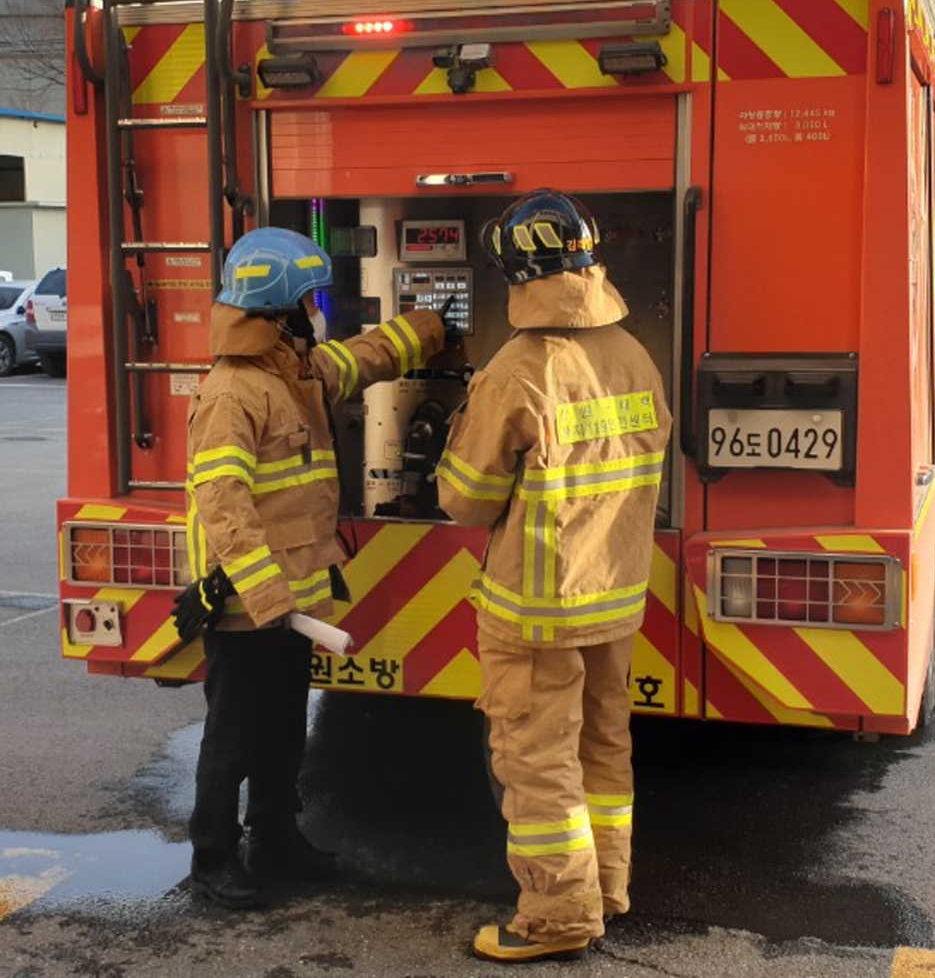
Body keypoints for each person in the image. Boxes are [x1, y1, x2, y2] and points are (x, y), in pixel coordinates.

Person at [172, 226, 445, 910]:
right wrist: (265, 598)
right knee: (233, 738)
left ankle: (274, 838)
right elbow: (223, 506)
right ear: (281, 311)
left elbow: (359, 360)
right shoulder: (234, 393)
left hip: (290, 599)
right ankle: (212, 861)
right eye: (307, 303)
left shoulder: (292, 372)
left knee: (283, 729)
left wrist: (431, 327)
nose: (315, 314)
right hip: (247, 602)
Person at [436, 190, 672, 963]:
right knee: (603, 748)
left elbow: (467, 503)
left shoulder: (519, 369)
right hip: (615, 598)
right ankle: (605, 889)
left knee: (537, 767)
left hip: (537, 610)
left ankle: (558, 917)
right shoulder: (635, 355)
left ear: (515, 271)